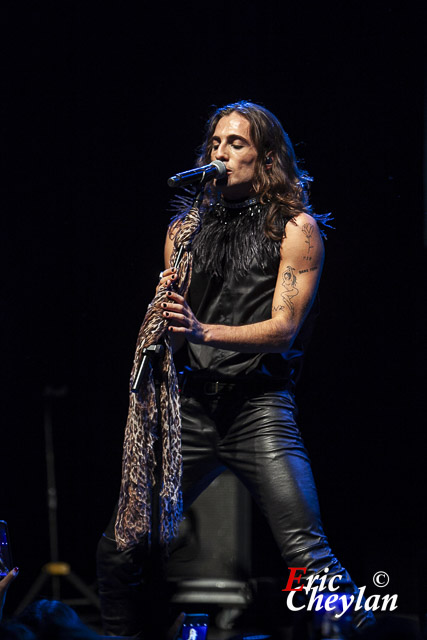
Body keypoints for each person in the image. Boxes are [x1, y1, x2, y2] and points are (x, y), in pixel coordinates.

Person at [96, 100, 375, 637]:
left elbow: (284, 328)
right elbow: (174, 319)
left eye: (236, 143)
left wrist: (202, 331)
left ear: (267, 157)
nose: (220, 152)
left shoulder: (297, 229)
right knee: (120, 548)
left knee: (307, 553)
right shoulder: (184, 230)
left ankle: (359, 630)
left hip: (259, 408)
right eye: (215, 143)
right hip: (192, 410)